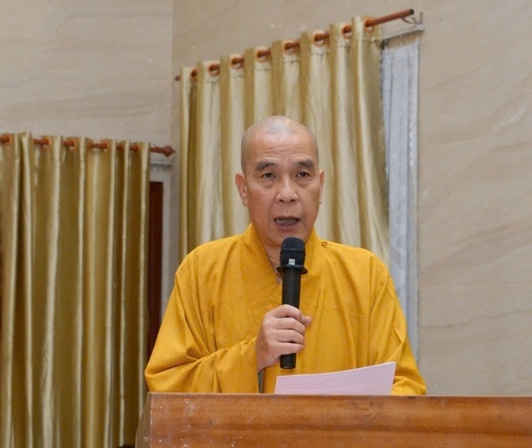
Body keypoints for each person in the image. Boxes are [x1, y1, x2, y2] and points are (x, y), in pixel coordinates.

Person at [145, 115, 426, 395]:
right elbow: (168, 388)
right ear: (243, 189)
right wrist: (252, 357)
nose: (287, 194)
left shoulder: (365, 275)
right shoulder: (202, 270)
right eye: (268, 176)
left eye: (302, 175)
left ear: (320, 185)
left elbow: (404, 388)